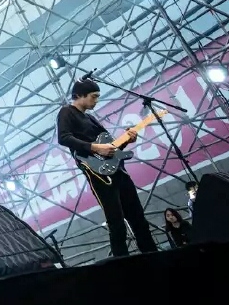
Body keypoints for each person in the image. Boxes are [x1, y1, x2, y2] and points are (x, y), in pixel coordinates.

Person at [56, 78, 159, 258]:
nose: (96, 100)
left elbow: (110, 148)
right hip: (98, 173)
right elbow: (63, 137)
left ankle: (153, 256)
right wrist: (94, 147)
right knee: (116, 222)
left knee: (138, 218)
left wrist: (126, 140)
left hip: (118, 170)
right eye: (93, 96)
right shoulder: (66, 112)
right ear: (79, 95)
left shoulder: (90, 118)